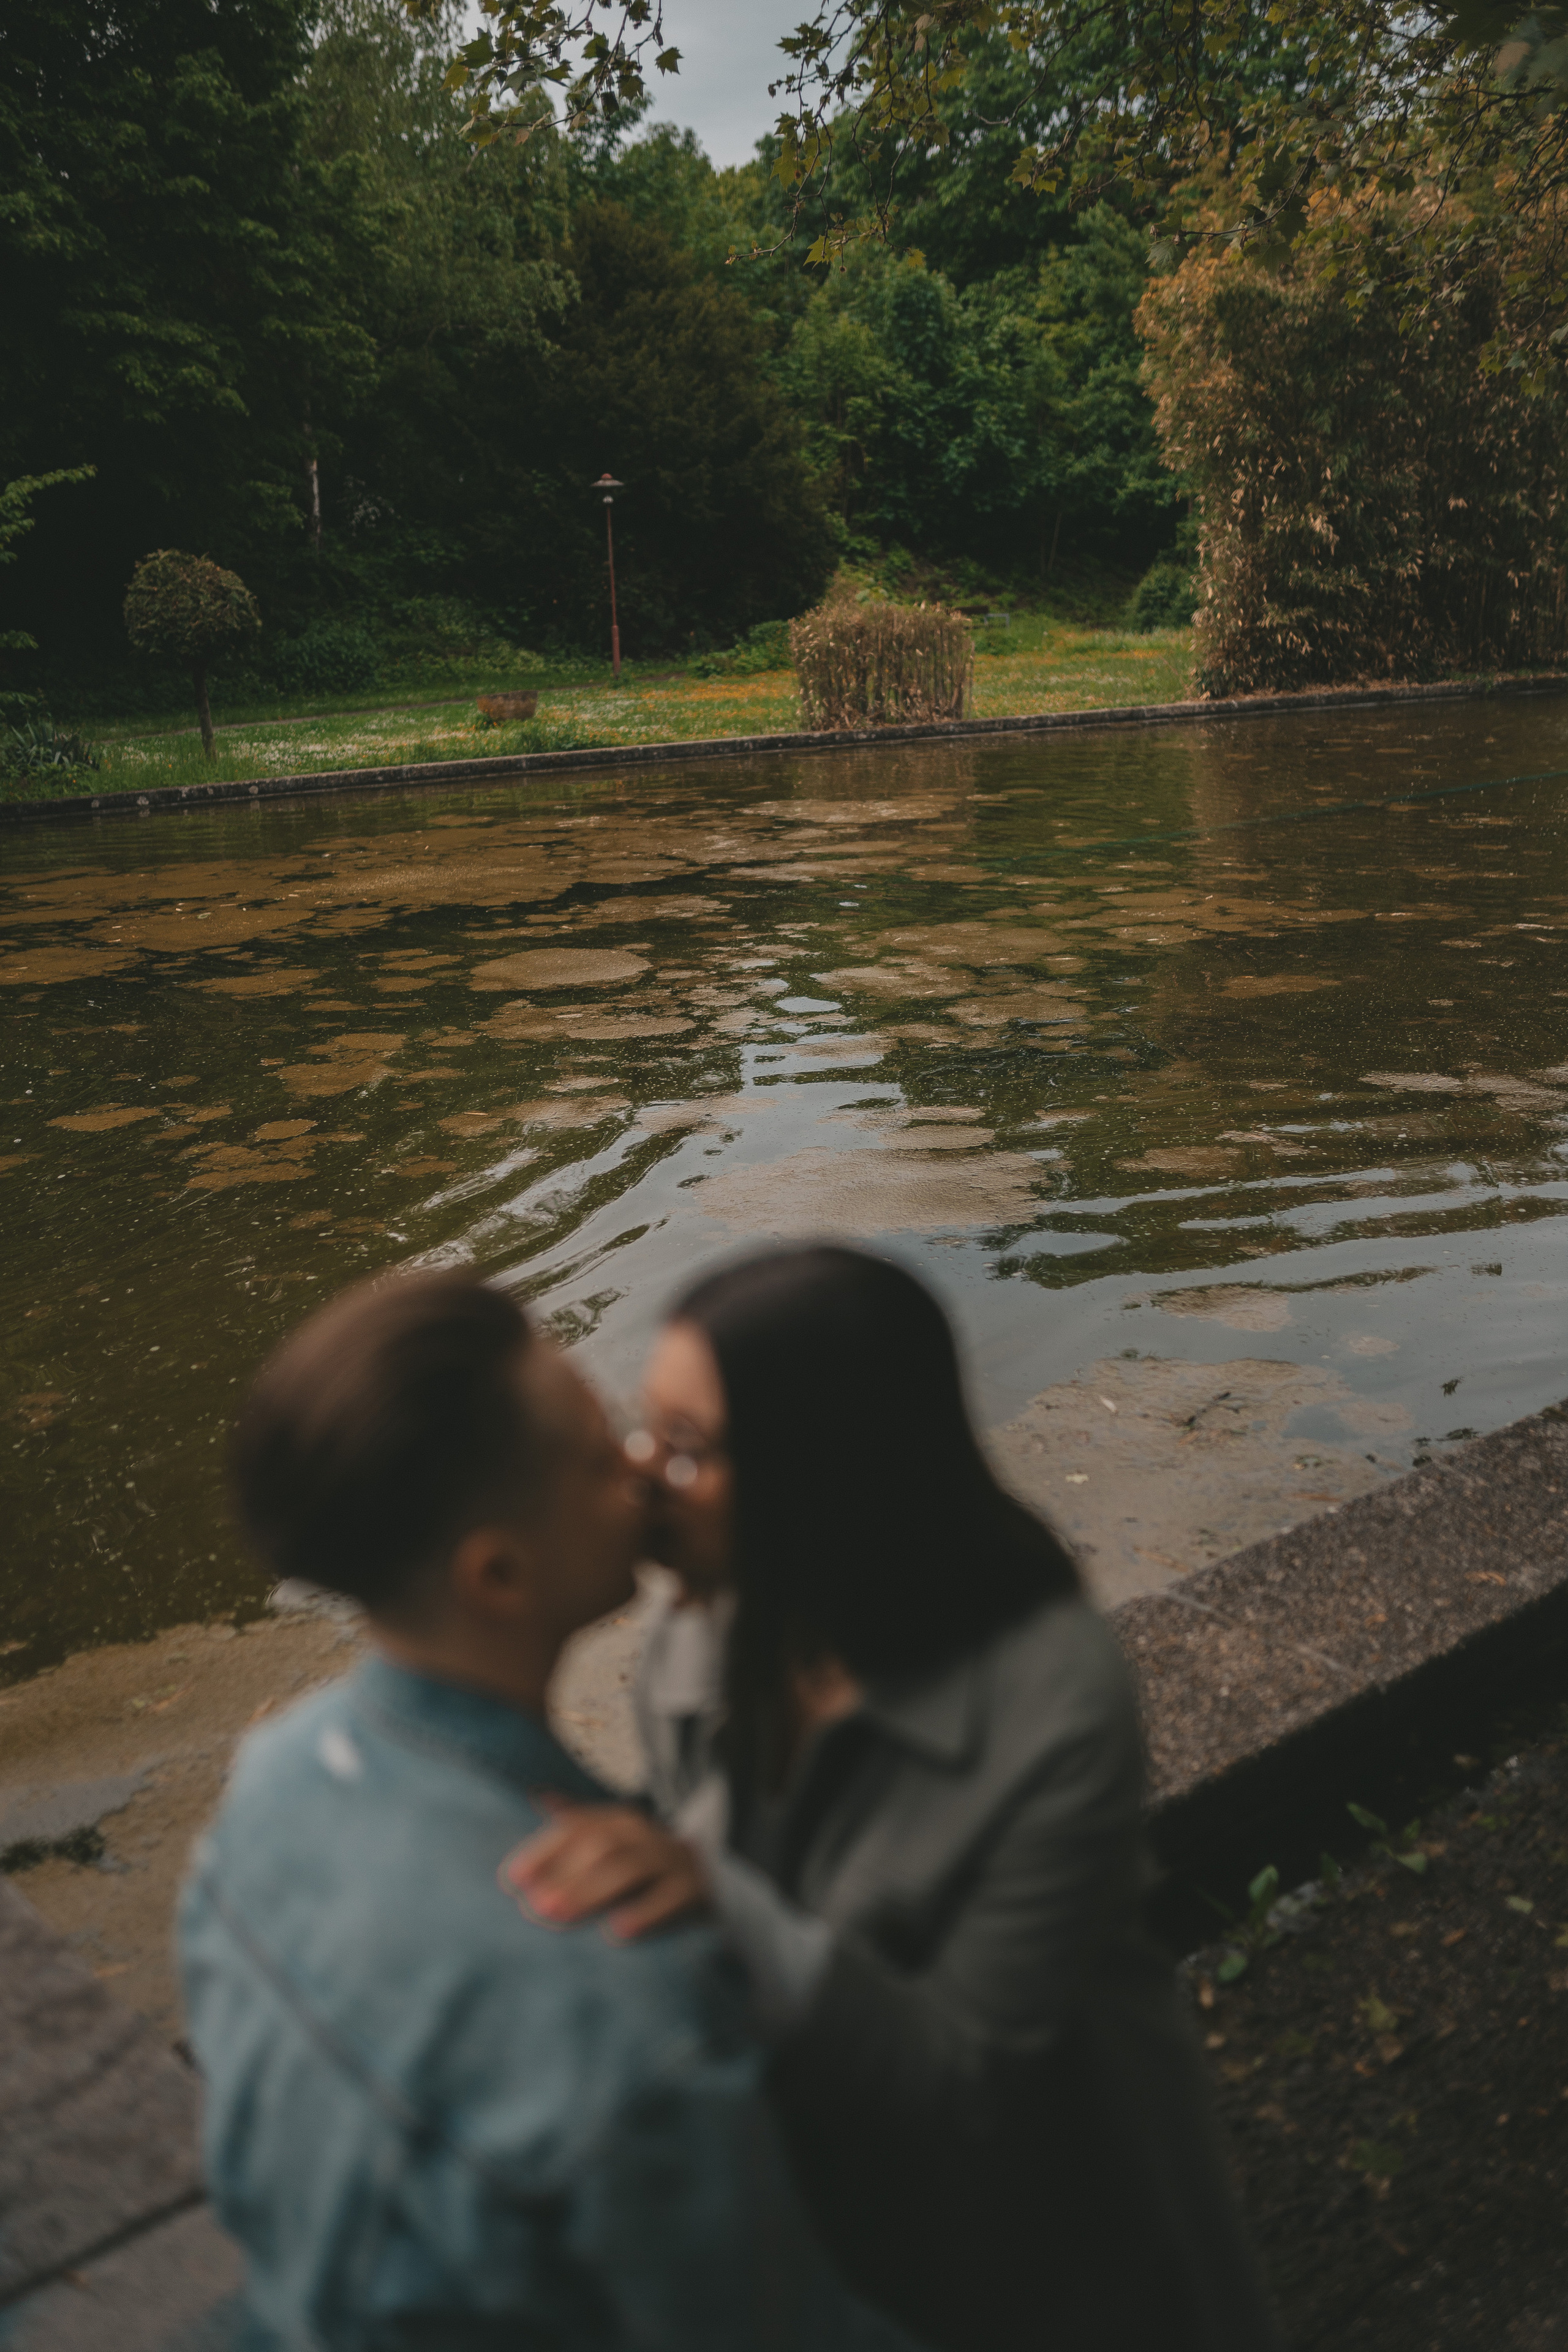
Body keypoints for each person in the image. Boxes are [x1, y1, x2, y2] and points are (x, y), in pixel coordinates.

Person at [508, 1245, 1283, 2352]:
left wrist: (713, 1902)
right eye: (643, 1431)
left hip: (1044, 2209)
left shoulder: (1050, 1697)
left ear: (821, 1474)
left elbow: (970, 2075)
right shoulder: (702, 1621)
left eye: (683, 1452)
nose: (638, 1481)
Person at [178, 1270, 921, 2352]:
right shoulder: (622, 1997)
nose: (639, 1467)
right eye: (595, 1455)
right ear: (499, 1573)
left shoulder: (268, 1782)